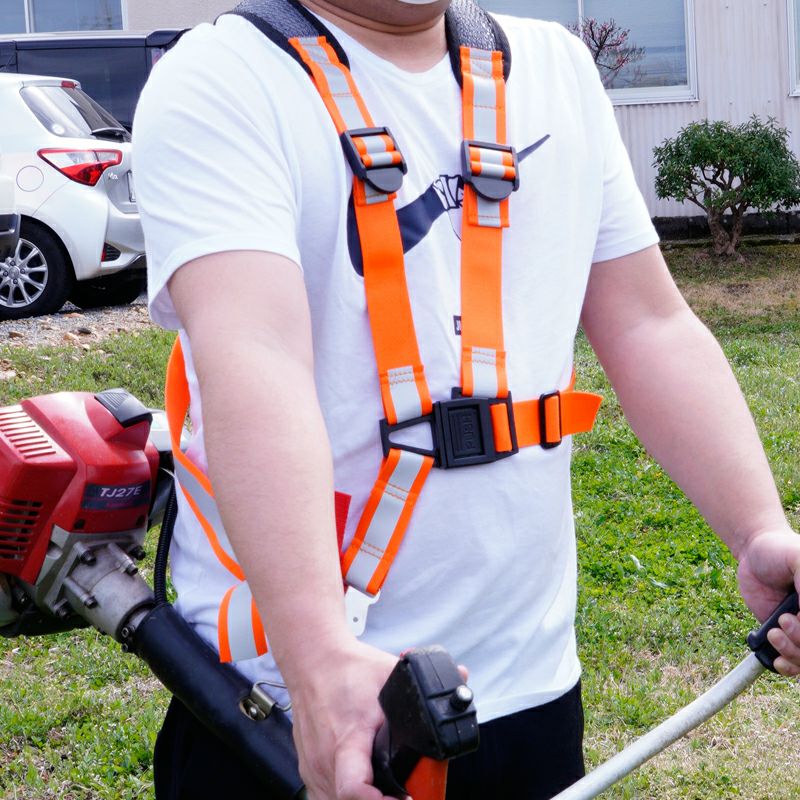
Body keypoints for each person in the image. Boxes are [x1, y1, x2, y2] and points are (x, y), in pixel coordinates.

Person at [133, 1, 800, 798]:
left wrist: (758, 531)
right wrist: (316, 664)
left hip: (527, 690)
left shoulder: (555, 68)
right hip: (300, 712)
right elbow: (254, 360)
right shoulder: (225, 77)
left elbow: (648, 324)